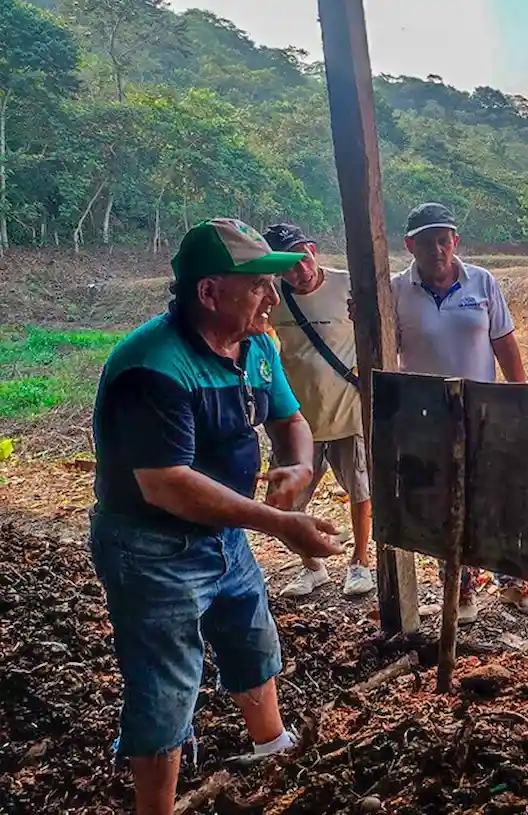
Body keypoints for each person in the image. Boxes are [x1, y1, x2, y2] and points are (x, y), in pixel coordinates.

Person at [88, 219, 343, 815]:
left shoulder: (254, 344)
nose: (272, 299)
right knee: (166, 680)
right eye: (256, 286)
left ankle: (270, 743)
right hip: (151, 547)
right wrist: (277, 522)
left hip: (226, 531)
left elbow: (290, 420)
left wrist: (298, 468)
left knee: (251, 637)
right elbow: (166, 485)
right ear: (209, 293)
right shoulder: (151, 368)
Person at [390, 202, 528, 622]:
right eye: (427, 242)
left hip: (484, 410)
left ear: (455, 241)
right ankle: (460, 592)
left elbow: (506, 345)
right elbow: (383, 351)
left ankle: (511, 581)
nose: (437, 250)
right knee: (444, 500)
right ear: (410, 245)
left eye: (444, 240)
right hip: (427, 415)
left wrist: (521, 404)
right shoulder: (396, 290)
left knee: (494, 496)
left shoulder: (482, 281)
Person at [262, 223, 374, 599]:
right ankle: (312, 565)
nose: (300, 272)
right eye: (288, 267)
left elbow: (378, 329)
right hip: (297, 419)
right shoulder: (272, 297)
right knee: (288, 499)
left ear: (313, 249)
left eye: (303, 259)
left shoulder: (347, 285)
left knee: (359, 490)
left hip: (347, 411)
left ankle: (360, 563)